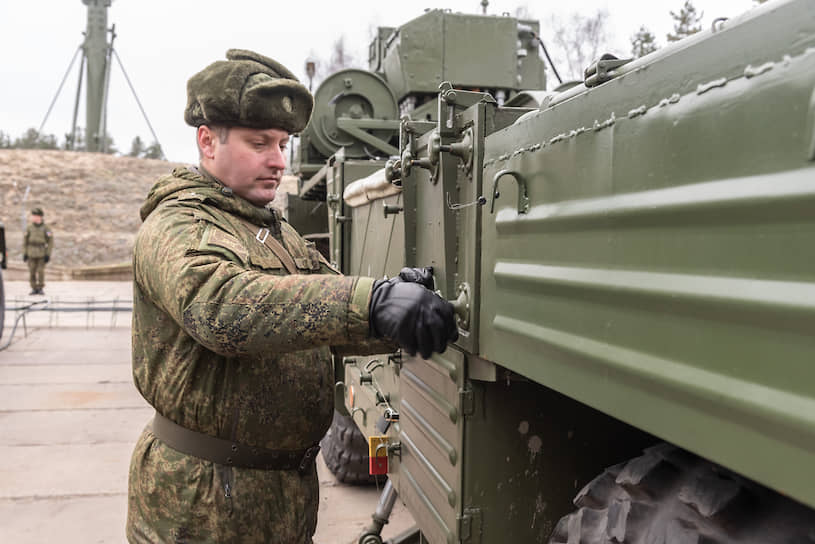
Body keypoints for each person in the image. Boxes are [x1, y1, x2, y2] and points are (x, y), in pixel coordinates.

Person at [126, 49, 458, 544]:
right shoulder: (178, 224)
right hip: (202, 505)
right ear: (206, 141)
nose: (278, 161)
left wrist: (396, 309)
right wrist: (371, 301)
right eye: (259, 143)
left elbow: (327, 318)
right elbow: (223, 307)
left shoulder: (274, 232)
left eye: (282, 143)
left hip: (280, 500)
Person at [22, 207, 53, 295]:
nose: (34, 217)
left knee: (40, 271)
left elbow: (50, 241)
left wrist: (48, 254)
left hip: (41, 253)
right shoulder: (29, 228)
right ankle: (34, 287)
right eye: (33, 216)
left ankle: (40, 287)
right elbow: (25, 242)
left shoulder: (46, 228)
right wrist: (25, 253)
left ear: (40, 217)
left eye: (35, 216)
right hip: (31, 252)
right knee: (32, 271)